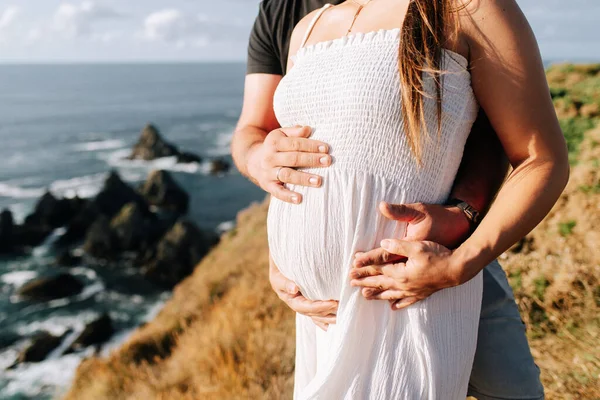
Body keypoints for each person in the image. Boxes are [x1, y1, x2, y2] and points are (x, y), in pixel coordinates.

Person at [231, 0, 568, 398]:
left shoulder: (469, 8)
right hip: (320, 315)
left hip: (407, 294)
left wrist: (460, 263)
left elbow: (540, 158)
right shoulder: (306, 25)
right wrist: (281, 255)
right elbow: (287, 149)